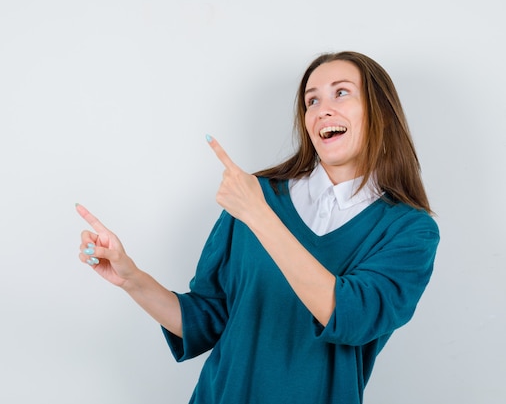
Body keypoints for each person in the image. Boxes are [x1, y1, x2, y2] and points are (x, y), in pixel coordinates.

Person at [75, 51, 440, 404]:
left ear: (382, 113)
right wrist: (131, 278)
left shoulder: (410, 230)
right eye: (311, 101)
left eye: (341, 93)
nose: (322, 109)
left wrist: (260, 215)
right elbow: (206, 319)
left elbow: (349, 316)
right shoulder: (255, 195)